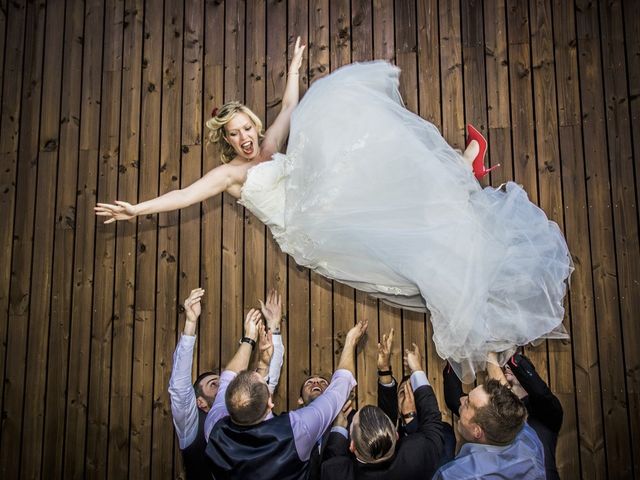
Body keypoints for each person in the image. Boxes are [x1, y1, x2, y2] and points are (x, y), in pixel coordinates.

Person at [95, 54, 573, 381]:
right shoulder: (229, 175)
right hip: (310, 228)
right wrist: (137, 208)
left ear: (254, 129)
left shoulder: (267, 148)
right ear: (226, 141)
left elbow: (287, 106)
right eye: (235, 133)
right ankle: (463, 166)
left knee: (389, 198)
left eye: (247, 128)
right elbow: (185, 193)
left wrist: (296, 68)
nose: (244, 138)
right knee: (366, 181)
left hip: (321, 206)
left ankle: (461, 168)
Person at [204, 318, 368, 479]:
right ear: (270, 403)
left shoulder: (214, 426)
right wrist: (350, 342)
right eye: (262, 379)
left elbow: (227, 377)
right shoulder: (296, 429)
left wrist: (253, 348)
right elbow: (341, 384)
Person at [168, 288, 284, 480]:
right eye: (214, 384)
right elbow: (179, 388)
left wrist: (274, 326)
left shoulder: (251, 412)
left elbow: (270, 377)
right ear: (200, 403)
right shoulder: (190, 426)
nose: (223, 385)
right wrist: (190, 323)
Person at [320, 340, 445, 479]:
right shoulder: (417, 454)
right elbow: (432, 419)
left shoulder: (335, 472)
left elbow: (333, 459)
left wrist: (338, 428)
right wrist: (416, 368)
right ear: (396, 436)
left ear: (352, 446)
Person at [443, 351, 563, 479]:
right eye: (503, 365)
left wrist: (504, 355)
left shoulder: (547, 413)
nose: (505, 367)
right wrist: (456, 354)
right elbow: (454, 399)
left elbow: (539, 391)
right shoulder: (485, 414)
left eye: (506, 364)